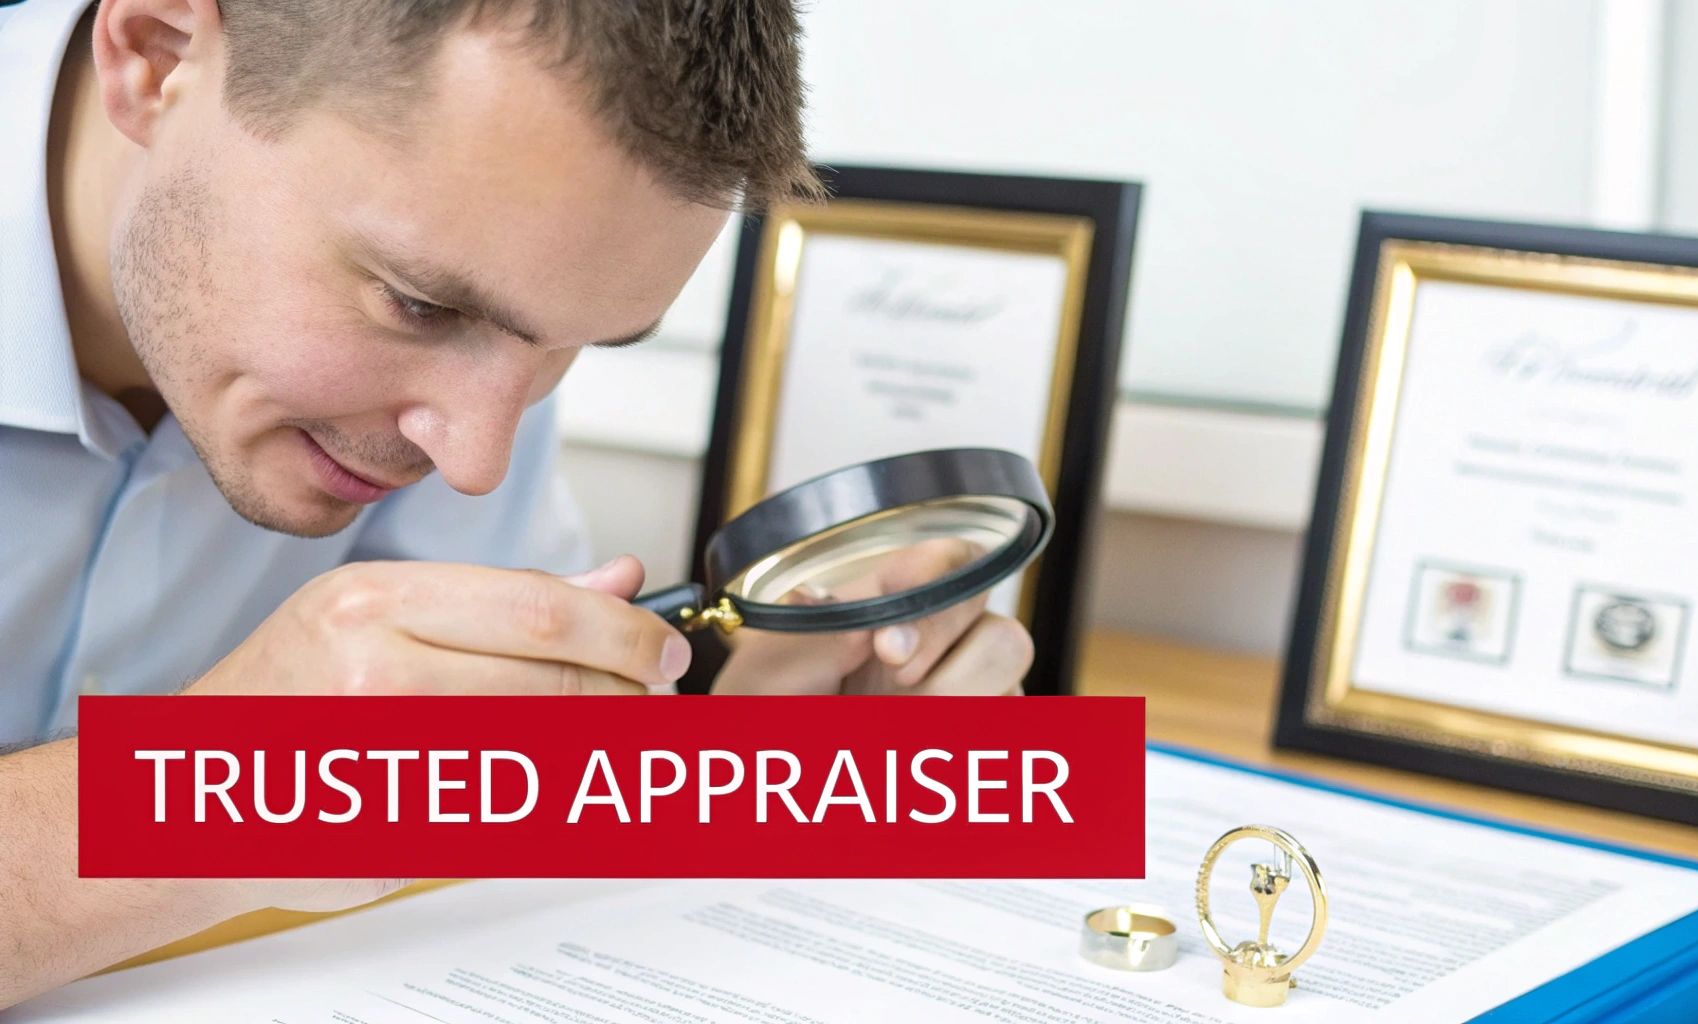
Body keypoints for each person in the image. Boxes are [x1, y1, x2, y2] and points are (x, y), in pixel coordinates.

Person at [0, 0, 1035, 1004]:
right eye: (419, 304)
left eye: (576, 342)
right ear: (157, 56)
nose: (477, 459)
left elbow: (482, 786)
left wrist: (759, 757)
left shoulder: (482, 330)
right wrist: (195, 794)